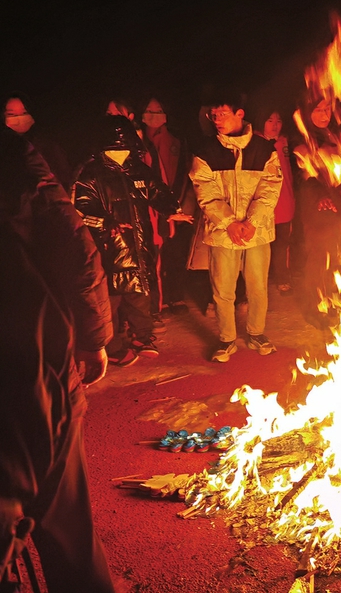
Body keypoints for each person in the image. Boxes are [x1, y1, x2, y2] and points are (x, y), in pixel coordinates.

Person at [1, 127, 115, 592]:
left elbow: (70, 240)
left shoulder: (13, 155)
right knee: (69, 536)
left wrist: (92, 336)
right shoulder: (12, 153)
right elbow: (73, 241)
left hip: (35, 362)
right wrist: (93, 338)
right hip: (39, 363)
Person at [72, 115, 186, 366]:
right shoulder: (91, 175)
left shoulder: (139, 170)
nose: (120, 153)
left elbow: (156, 190)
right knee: (110, 298)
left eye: (124, 148)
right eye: (115, 149)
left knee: (139, 292)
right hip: (108, 247)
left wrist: (170, 209)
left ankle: (142, 337)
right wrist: (106, 223)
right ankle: (113, 344)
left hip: (139, 242)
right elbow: (82, 209)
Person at [190, 93, 283, 362]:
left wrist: (252, 222)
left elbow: (270, 188)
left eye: (223, 114)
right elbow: (204, 191)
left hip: (258, 231)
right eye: (213, 115)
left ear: (239, 114)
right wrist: (229, 222)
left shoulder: (265, 149)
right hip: (222, 232)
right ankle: (226, 339)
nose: (217, 120)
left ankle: (256, 333)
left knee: (258, 286)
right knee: (223, 289)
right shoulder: (206, 151)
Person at [141, 97, 197, 313]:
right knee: (154, 255)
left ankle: (175, 295)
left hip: (175, 204)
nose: (154, 115)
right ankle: (157, 300)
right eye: (149, 110)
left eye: (158, 110)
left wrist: (175, 204)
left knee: (175, 252)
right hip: (149, 207)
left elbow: (183, 172)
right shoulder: (138, 141)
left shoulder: (175, 141)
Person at [258, 107, 298, 296]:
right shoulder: (255, 142)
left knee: (282, 242)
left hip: (284, 201)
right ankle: (258, 281)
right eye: (270, 120)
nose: (275, 125)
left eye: (278, 121)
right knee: (260, 245)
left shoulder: (285, 142)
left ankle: (282, 277)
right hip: (262, 203)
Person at [4, 93, 71, 187]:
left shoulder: (48, 147)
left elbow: (64, 179)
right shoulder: (4, 150)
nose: (18, 118)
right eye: (11, 114)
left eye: (24, 113)